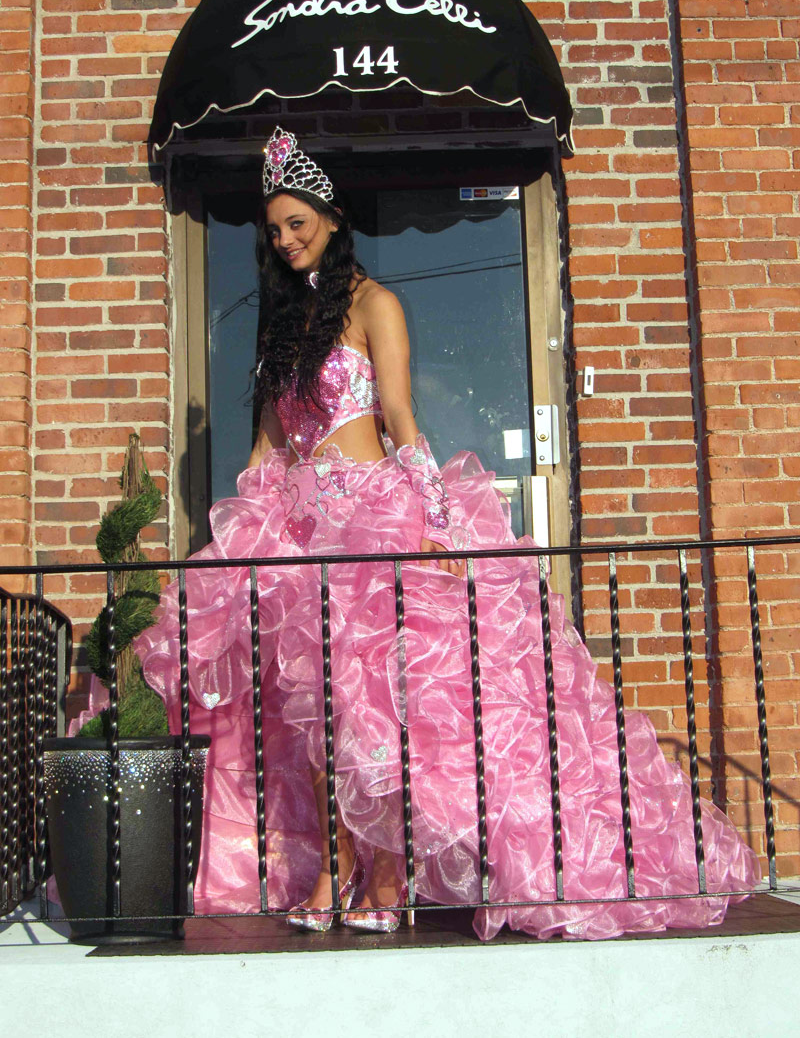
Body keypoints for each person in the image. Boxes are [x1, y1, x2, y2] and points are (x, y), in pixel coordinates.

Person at [135, 128, 761, 940]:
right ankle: (334, 866)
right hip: (303, 539)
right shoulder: (282, 325)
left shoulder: (374, 305)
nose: (285, 239)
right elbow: (267, 448)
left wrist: (433, 519)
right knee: (322, 720)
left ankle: (387, 876)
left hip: (374, 522)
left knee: (379, 716)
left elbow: (400, 421)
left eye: (297, 222)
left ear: (330, 216)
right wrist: (236, 542)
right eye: (275, 228)